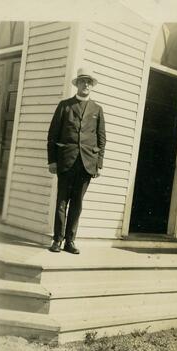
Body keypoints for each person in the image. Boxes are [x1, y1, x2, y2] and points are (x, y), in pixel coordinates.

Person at [47, 67, 106, 254]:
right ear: (77, 84)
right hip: (66, 161)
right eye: (82, 81)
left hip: (86, 164)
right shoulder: (64, 106)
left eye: (89, 82)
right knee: (62, 201)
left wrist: (99, 164)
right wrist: (52, 161)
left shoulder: (97, 109)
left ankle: (70, 241)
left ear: (92, 86)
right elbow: (52, 135)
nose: (86, 84)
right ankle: (57, 239)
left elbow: (101, 138)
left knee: (77, 203)